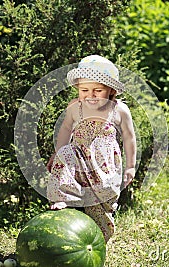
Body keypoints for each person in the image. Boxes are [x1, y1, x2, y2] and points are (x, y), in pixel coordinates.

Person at [46, 55, 136, 242]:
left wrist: (130, 166)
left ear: (111, 91)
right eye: (84, 89)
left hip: (105, 166)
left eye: (98, 90)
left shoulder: (118, 110)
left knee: (100, 204)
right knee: (65, 154)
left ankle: (99, 236)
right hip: (79, 158)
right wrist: (56, 153)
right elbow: (65, 130)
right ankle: (62, 198)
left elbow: (129, 137)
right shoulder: (74, 107)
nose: (90, 95)